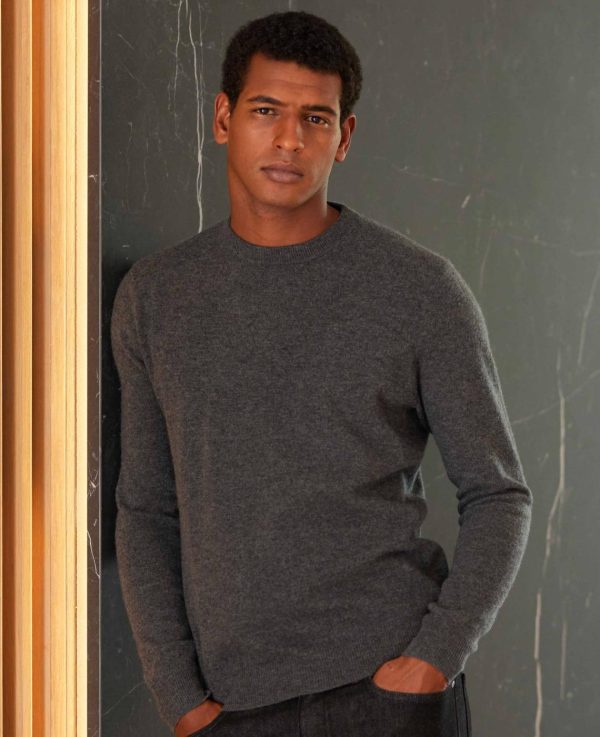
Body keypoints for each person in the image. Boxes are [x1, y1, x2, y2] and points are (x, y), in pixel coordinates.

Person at [110, 10, 533, 737]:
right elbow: (146, 509)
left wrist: (432, 659)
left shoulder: (419, 290)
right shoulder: (156, 297)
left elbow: (499, 493)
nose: (289, 139)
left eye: (315, 118)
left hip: (388, 693)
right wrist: (178, 697)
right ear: (223, 118)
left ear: (344, 136)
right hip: (228, 706)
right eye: (266, 110)